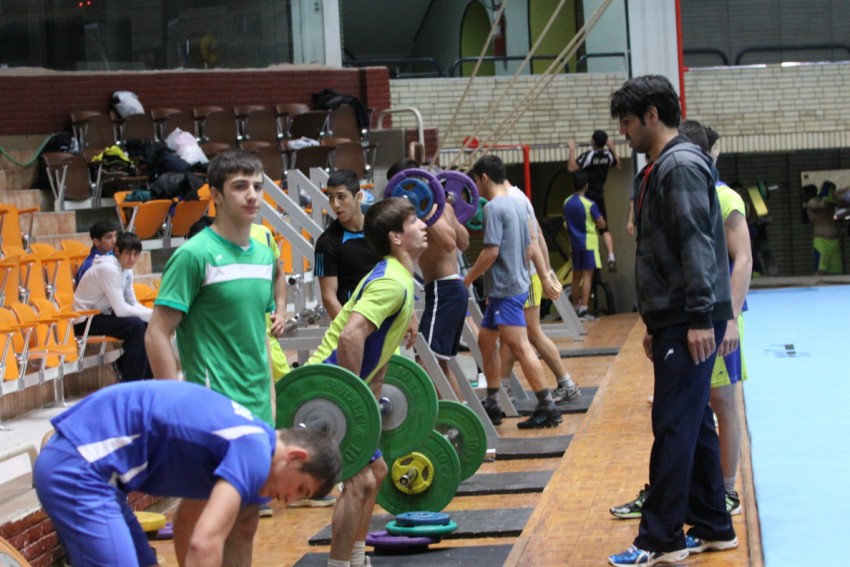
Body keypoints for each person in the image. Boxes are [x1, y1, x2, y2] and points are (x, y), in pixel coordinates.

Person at [607, 75, 737, 566]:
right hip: (676, 317)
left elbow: (696, 245)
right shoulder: (661, 167)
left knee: (673, 425)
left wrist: (699, 318)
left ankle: (660, 538)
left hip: (689, 319)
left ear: (652, 115)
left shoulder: (679, 165)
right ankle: (714, 525)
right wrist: (655, 322)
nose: (623, 131)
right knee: (694, 422)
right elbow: (662, 255)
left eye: (627, 121)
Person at [34, 380, 340, 567]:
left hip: (97, 476)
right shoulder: (254, 453)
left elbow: (188, 526)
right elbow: (204, 544)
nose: (288, 501)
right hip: (78, 468)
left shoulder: (250, 441)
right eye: (300, 489)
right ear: (295, 456)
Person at [145, 149, 278, 550]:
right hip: (211, 407)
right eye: (240, 186)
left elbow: (258, 333)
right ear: (216, 194)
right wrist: (174, 405)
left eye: (257, 186)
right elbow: (157, 332)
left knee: (248, 518)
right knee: (202, 510)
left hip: (257, 407)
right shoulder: (194, 255)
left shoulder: (265, 255)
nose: (252, 195)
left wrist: (271, 401)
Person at [307, 197, 427, 567]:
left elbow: (380, 350)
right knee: (359, 482)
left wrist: (370, 398)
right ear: (396, 237)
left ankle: (357, 559)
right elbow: (350, 338)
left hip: (337, 390)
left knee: (374, 472)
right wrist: (354, 400)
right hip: (326, 392)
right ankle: (341, 564)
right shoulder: (391, 282)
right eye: (413, 221)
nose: (423, 225)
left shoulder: (397, 276)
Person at [463, 155, 563, 430]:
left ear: (484, 178)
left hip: (506, 290)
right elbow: (531, 246)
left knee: (520, 346)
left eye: (476, 182)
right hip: (511, 287)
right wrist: (535, 275)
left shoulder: (494, 208)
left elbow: (490, 252)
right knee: (486, 340)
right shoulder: (519, 204)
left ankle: (548, 407)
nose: (475, 189)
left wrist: (468, 279)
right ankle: (494, 402)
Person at [388, 158, 470, 400]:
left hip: (446, 290)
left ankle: (453, 416)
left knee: (426, 361)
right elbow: (463, 242)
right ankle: (460, 414)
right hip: (445, 291)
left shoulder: (436, 209)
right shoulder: (426, 213)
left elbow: (454, 243)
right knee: (439, 364)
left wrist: (429, 213)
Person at [502, 180, 581, 402]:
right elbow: (539, 234)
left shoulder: (512, 200)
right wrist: (546, 270)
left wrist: (545, 274)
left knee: (531, 334)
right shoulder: (518, 196)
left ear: (485, 178)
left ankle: (566, 384)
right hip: (525, 277)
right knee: (511, 335)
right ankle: (501, 389)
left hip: (525, 278)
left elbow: (533, 241)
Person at [72, 231, 152, 381]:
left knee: (146, 325)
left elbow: (132, 303)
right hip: (84, 320)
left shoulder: (126, 270)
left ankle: (144, 377)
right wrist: (153, 315)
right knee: (136, 326)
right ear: (117, 251)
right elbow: (121, 310)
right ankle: (131, 381)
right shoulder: (109, 269)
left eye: (136, 254)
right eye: (128, 253)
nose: (132, 259)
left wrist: (152, 315)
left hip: (102, 315)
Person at [315, 169, 381, 320]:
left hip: (386, 316)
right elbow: (329, 297)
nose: (335, 204)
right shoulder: (325, 243)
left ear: (358, 197)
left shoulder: (380, 230)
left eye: (341, 197)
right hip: (353, 321)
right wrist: (350, 329)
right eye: (331, 197)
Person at [568, 130, 620, 272]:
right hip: (599, 196)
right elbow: (618, 165)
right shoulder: (608, 155)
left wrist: (571, 149)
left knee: (584, 227)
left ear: (593, 141)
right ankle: (611, 256)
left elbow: (572, 167)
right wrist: (612, 148)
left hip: (586, 197)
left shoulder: (589, 155)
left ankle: (585, 255)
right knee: (604, 229)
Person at [563, 170, 606, 321]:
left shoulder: (567, 202)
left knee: (576, 277)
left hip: (574, 245)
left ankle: (575, 308)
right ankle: (584, 309)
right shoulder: (589, 204)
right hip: (589, 244)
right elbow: (602, 223)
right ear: (586, 186)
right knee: (587, 276)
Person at [805, 180, 843, 275]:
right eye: (831, 191)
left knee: (836, 272)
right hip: (821, 242)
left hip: (834, 242)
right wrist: (826, 195)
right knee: (820, 271)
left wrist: (833, 199)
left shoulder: (831, 202)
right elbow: (821, 205)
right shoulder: (812, 202)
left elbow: (845, 204)